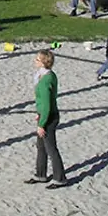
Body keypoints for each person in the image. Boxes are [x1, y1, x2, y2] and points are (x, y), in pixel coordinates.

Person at [25, 49, 67, 189]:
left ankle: (60, 178)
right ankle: (41, 174)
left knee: (51, 149)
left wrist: (41, 124)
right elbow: (44, 102)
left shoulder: (45, 81)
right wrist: (39, 113)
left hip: (48, 117)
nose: (35, 61)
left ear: (44, 62)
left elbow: (47, 104)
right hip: (44, 114)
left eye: (37, 59)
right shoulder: (48, 75)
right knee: (41, 147)